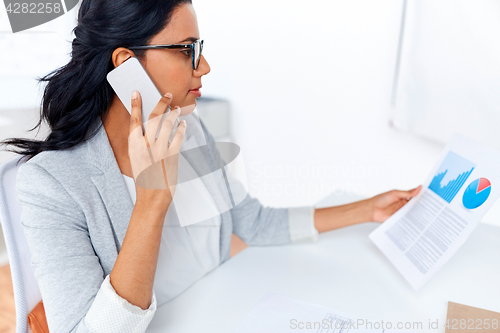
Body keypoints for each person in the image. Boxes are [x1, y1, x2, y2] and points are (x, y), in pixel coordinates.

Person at [0, 0, 421, 332]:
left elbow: (252, 222)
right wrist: (151, 202)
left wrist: (366, 210)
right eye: (187, 50)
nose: (204, 67)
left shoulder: (189, 128)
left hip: (228, 311)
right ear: (125, 62)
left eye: (199, 49)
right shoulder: (52, 184)